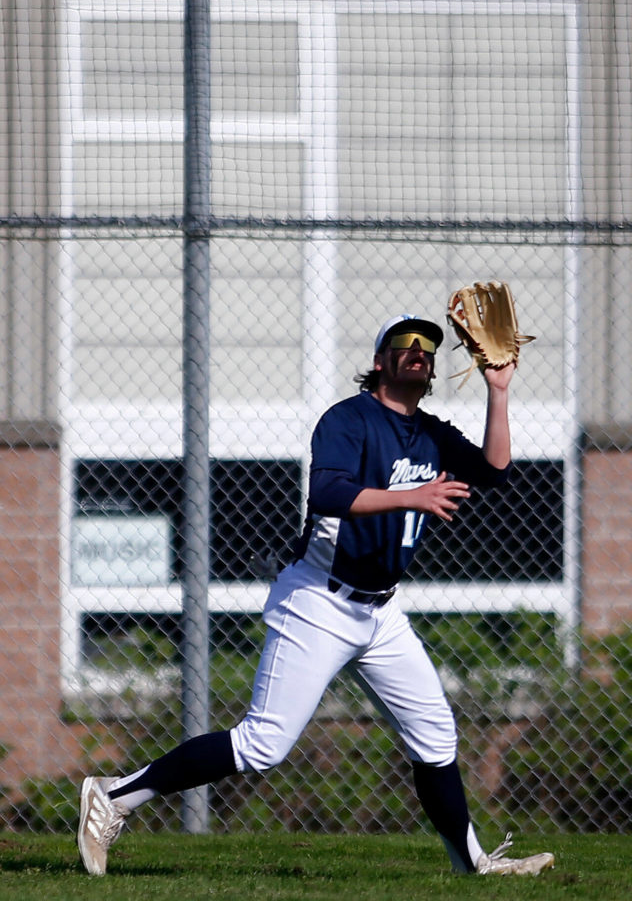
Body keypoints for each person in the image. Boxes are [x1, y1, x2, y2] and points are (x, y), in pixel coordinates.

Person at [77, 312, 554, 877]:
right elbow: (328, 492)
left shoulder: (431, 432)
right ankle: (114, 797)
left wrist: (499, 392)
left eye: (429, 344)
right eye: (405, 342)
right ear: (380, 360)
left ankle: (470, 864)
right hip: (318, 601)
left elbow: (495, 471)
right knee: (262, 746)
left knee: (435, 735)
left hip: (380, 611)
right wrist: (412, 496)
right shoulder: (348, 419)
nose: (419, 349)